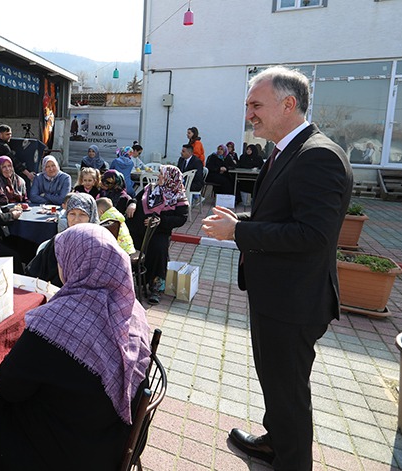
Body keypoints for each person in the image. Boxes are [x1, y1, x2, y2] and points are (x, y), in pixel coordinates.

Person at [201, 66, 353, 470]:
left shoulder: (317, 155)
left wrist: (241, 232)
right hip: (278, 298)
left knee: (288, 393)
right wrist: (245, 221)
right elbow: (286, 214)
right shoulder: (287, 150)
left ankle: (292, 461)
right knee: (278, 386)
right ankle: (276, 442)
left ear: (288, 104)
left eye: (256, 105)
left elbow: (313, 234)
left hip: (294, 303)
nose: (249, 114)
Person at [0, 224, 151, 471]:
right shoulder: (133, 312)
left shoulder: (57, 323)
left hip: (66, 453)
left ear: (76, 262)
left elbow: (9, 386)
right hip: (114, 441)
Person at [126, 164, 188, 305]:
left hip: (159, 232)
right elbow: (136, 197)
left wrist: (160, 221)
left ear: (170, 178)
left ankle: (156, 289)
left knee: (158, 251)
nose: (158, 176)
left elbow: (181, 218)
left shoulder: (178, 195)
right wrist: (132, 204)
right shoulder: (151, 188)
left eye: (161, 174)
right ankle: (136, 283)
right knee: (131, 250)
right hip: (138, 230)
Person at [25, 193, 99, 287]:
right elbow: (34, 272)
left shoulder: (98, 244)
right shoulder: (59, 241)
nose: (76, 220)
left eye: (82, 214)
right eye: (72, 214)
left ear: (91, 216)